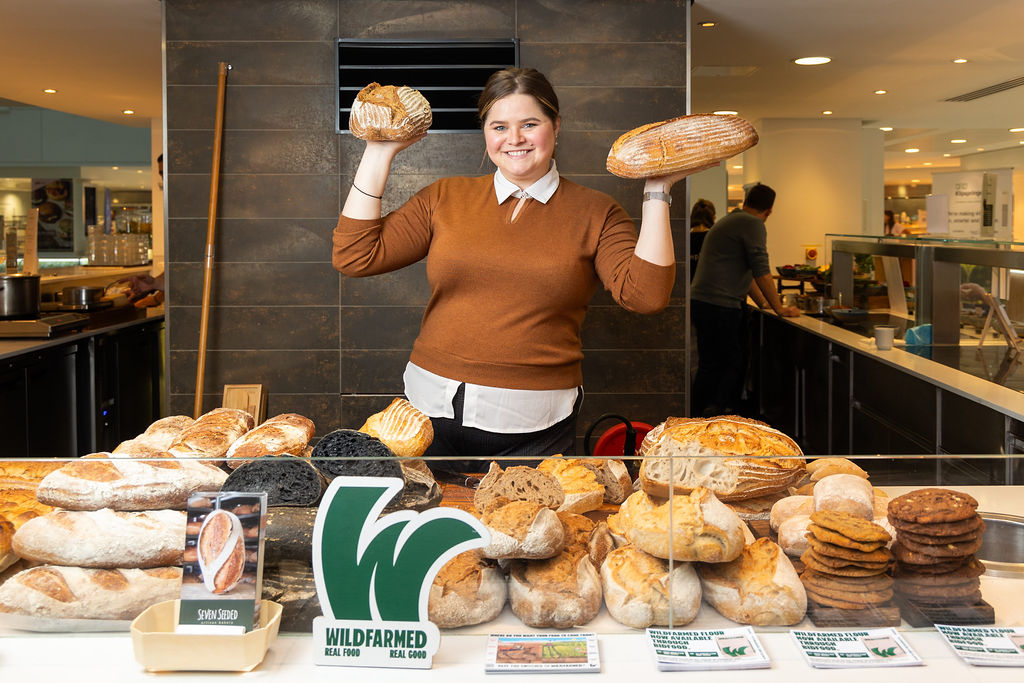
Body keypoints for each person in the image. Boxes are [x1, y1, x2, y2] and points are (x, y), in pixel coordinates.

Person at [332, 67, 707, 472]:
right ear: (485, 132)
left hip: (534, 429)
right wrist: (378, 150)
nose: (514, 139)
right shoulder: (445, 197)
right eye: (499, 126)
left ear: (556, 125)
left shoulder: (597, 212)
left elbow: (647, 296)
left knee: (524, 535)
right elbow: (355, 255)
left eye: (530, 124)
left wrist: (657, 190)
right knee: (430, 531)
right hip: (425, 417)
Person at [689, 183, 799, 418]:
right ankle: (718, 416)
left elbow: (746, 272)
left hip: (704, 302)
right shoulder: (753, 224)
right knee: (732, 363)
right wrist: (780, 308)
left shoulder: (731, 220)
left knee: (711, 364)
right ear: (768, 211)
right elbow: (761, 269)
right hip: (720, 306)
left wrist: (764, 304)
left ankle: (697, 416)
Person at [689, 198, 716, 281]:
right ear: (713, 217)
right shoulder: (714, 239)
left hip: (688, 289)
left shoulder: (685, 240)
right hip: (709, 288)